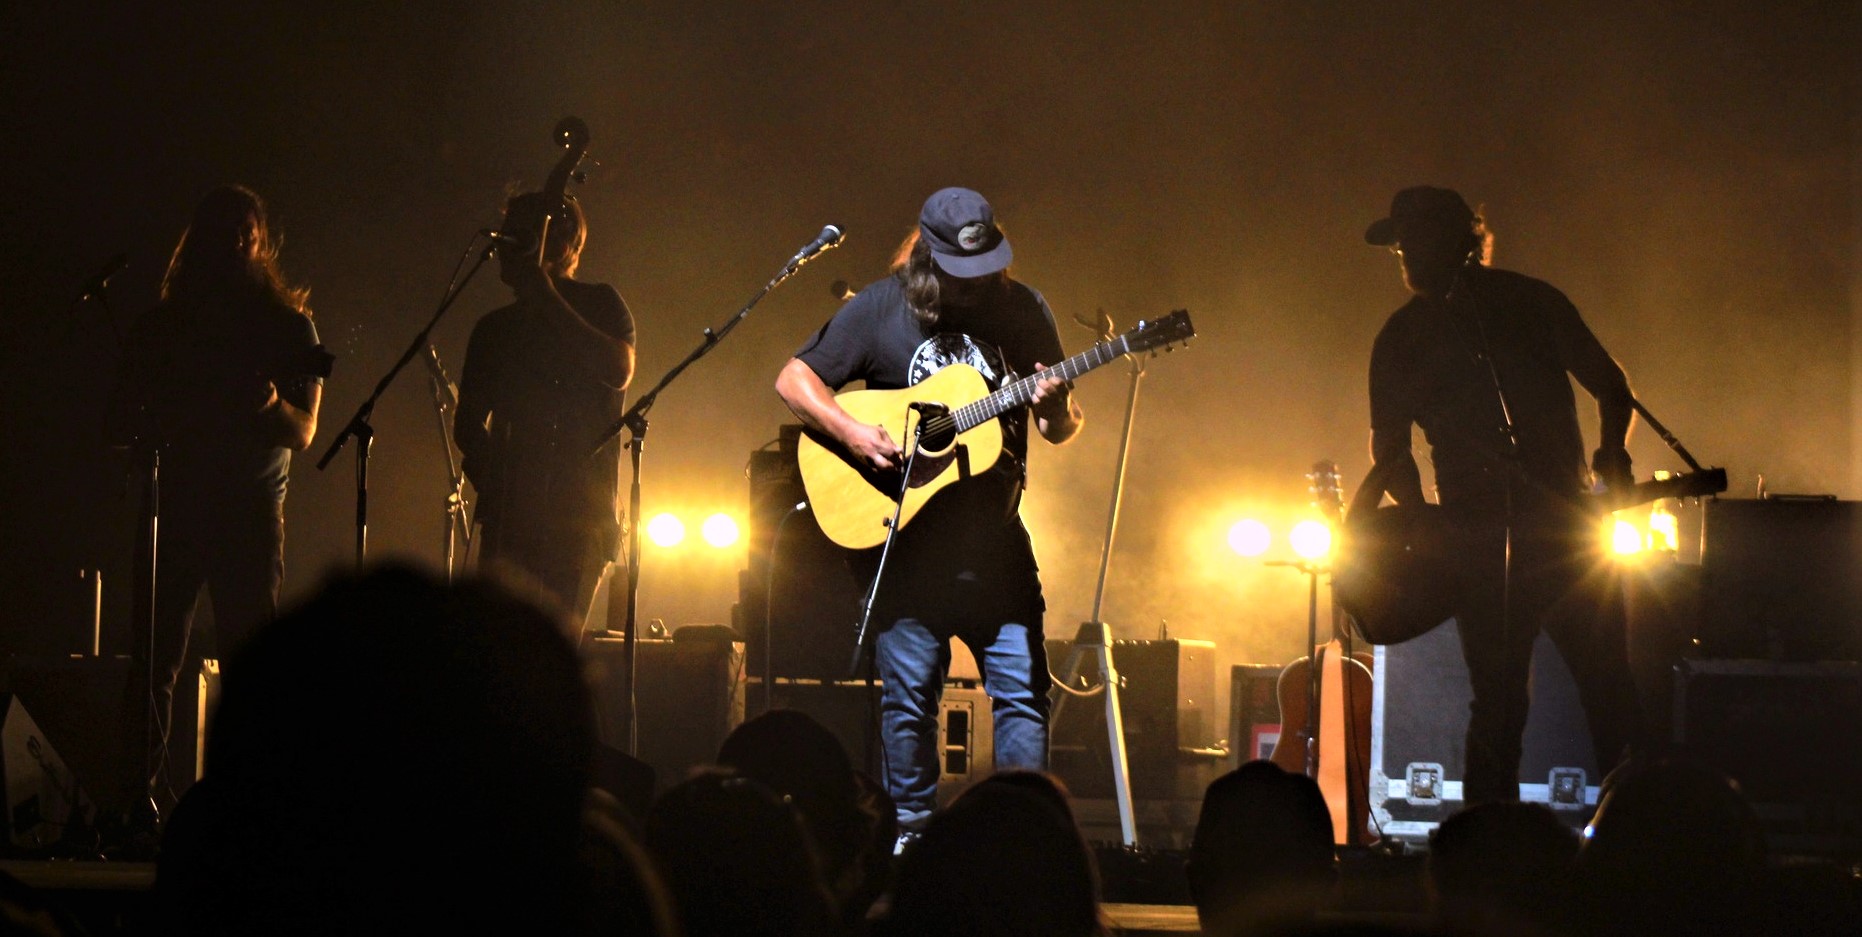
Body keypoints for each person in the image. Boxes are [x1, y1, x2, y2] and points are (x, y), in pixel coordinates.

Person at [774, 187, 1083, 840]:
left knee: (1023, 697)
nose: (973, 286)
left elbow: (1059, 427)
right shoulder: (881, 307)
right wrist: (855, 435)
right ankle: (909, 839)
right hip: (908, 541)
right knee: (909, 704)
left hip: (996, 539)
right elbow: (794, 380)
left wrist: (1055, 405)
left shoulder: (1024, 309)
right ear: (928, 254)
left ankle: (1025, 838)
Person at [1347, 185, 1644, 805]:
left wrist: (1611, 457)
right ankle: (1516, 837)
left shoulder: (1520, 305)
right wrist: (1420, 515)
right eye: (1399, 244)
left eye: (1413, 241)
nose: (1404, 255)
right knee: (1534, 694)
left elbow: (1613, 387)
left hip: (1547, 528)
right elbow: (1391, 448)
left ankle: (1630, 828)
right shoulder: (1409, 334)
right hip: (1513, 533)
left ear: (1461, 242)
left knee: (1565, 689)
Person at [107, 184, 326, 814]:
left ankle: (251, 808)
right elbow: (118, 419)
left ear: (260, 240)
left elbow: (304, 430)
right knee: (153, 664)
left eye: (245, 232)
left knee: (248, 670)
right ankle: (134, 805)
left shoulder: (291, 326)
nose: (235, 242)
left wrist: (267, 404)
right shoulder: (165, 325)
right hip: (171, 510)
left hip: (249, 517)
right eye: (224, 230)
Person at [455, 191, 636, 630]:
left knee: (552, 656)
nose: (502, 245)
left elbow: (618, 370)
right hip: (508, 519)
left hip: (579, 518)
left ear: (559, 242)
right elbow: (467, 426)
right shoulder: (494, 328)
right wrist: (505, 483)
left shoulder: (601, 302)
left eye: (519, 235)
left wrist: (545, 295)